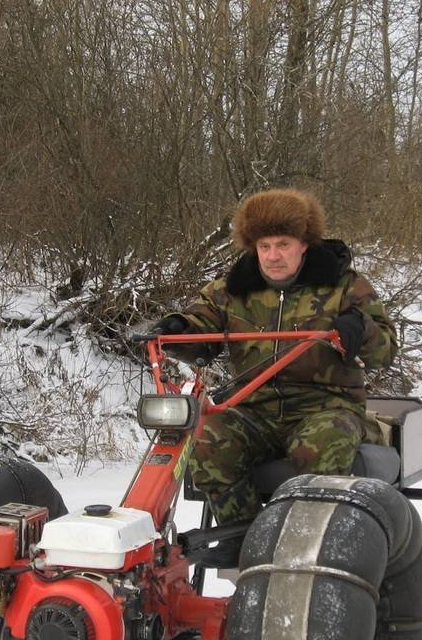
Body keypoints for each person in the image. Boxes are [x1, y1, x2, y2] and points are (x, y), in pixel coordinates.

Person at [151, 188, 398, 563]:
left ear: (304, 244)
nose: (273, 256)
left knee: (321, 442)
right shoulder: (232, 289)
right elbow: (201, 328)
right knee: (206, 435)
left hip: (326, 406)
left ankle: (309, 548)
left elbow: (386, 351)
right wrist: (178, 328)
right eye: (264, 246)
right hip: (255, 408)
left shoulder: (344, 286)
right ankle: (248, 541)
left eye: (283, 244)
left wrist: (360, 328)